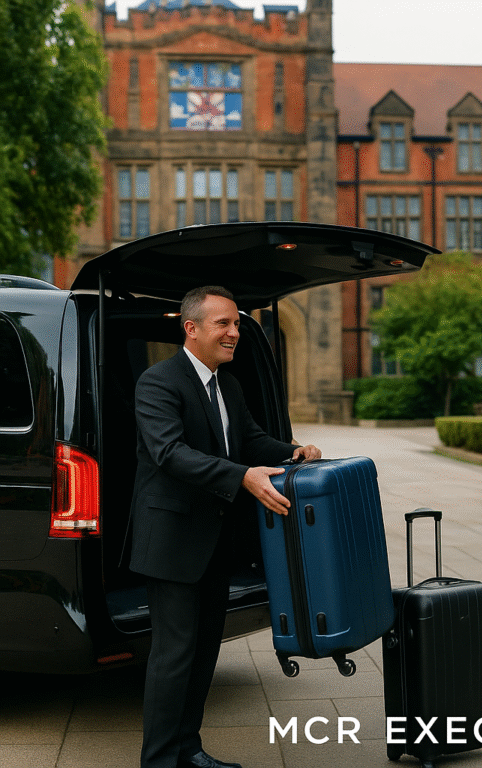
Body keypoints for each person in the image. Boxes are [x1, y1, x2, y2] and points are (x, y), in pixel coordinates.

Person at [129, 285, 321, 768]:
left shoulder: (227, 384)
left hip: (215, 541)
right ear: (191, 329)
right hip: (172, 542)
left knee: (204, 654)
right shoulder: (158, 382)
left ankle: (188, 750)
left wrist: (291, 451)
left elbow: (250, 440)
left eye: (237, 323)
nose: (235, 332)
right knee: (174, 657)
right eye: (224, 324)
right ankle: (158, 761)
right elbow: (169, 453)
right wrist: (243, 478)